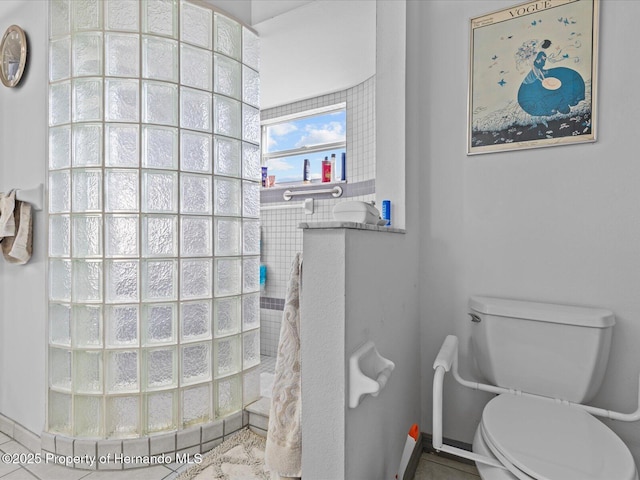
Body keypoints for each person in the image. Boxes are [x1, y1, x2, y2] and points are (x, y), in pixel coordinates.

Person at [517, 39, 585, 116]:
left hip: (538, 88)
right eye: (540, 59)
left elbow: (542, 74)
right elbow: (538, 80)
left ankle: (562, 103)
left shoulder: (539, 69)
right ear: (535, 59)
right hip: (530, 97)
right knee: (555, 91)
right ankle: (558, 105)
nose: (542, 61)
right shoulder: (534, 72)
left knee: (565, 76)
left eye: (544, 59)